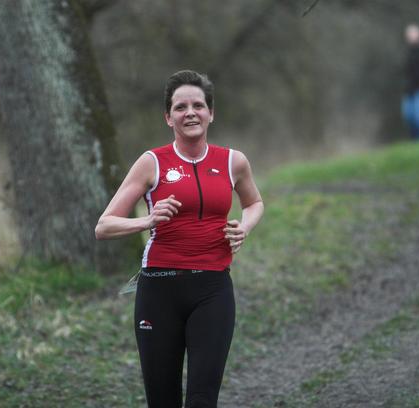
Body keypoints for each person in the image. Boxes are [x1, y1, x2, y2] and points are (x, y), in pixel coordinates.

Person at [95, 70, 264, 407]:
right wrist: (147, 220)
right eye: (180, 107)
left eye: (198, 106)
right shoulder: (151, 163)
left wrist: (244, 228)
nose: (190, 113)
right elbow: (104, 226)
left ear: (211, 113)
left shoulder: (233, 161)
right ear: (168, 117)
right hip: (159, 291)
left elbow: (254, 203)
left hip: (213, 289)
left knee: (202, 400)